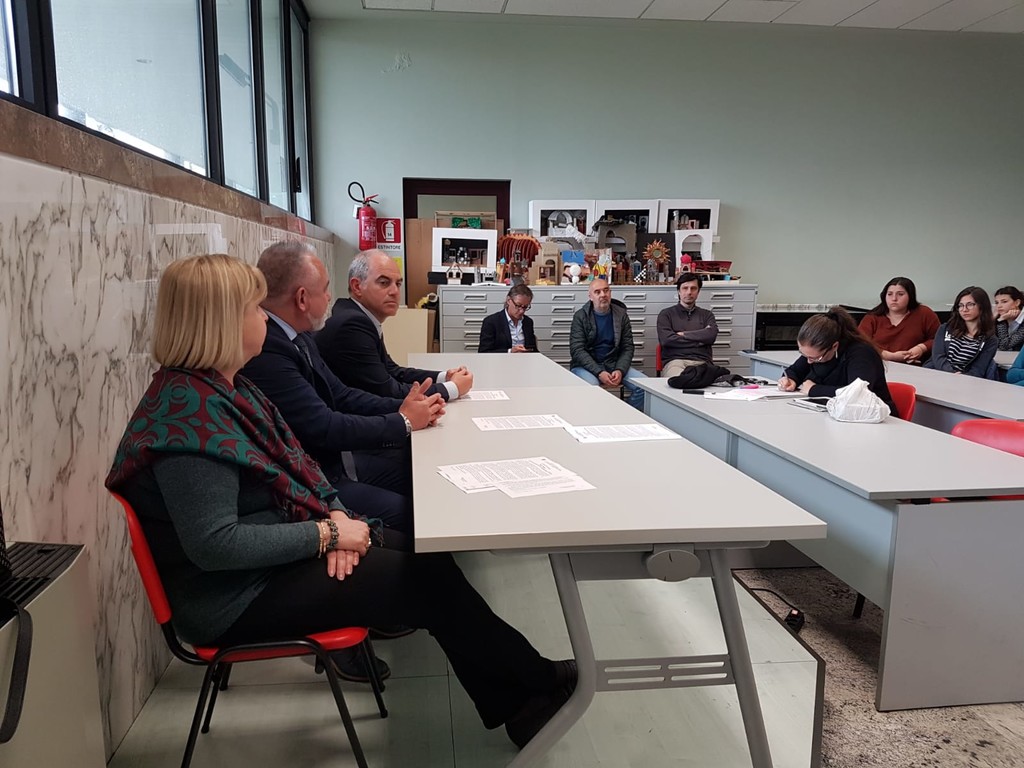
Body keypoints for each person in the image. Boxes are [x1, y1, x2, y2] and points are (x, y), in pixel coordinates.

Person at [105, 254, 577, 749]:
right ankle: (535, 684)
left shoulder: (224, 389)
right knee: (423, 579)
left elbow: (299, 464)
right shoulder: (188, 420)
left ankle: (523, 700)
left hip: (272, 556)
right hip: (232, 597)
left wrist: (334, 515)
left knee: (428, 563)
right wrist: (327, 534)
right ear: (220, 323)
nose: (264, 317)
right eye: (253, 308)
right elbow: (216, 545)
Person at [241, 241, 445, 534]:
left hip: (334, 464)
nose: (330, 298)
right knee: (420, 514)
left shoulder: (300, 336)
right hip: (313, 481)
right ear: (302, 298)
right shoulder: (269, 352)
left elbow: (340, 394)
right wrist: (404, 421)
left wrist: (406, 409)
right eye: (325, 289)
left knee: (429, 479)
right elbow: (323, 426)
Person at [317, 249, 474, 399]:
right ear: (357, 286)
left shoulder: (359, 316)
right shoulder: (352, 324)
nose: (395, 292)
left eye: (398, 284)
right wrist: (452, 388)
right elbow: (387, 390)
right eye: (384, 283)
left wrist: (444, 377)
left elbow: (391, 370)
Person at [779, 306, 896, 416]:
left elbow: (856, 394)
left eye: (815, 358)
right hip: (832, 415)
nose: (809, 361)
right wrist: (790, 380)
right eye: (804, 355)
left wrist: (814, 390)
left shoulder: (861, 354)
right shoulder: (814, 352)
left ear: (834, 346)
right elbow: (795, 371)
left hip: (872, 418)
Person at [569, 277, 646, 409]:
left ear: (610, 293)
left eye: (606, 290)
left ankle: (626, 413)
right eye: (597, 292)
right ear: (590, 296)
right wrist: (599, 372)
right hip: (586, 367)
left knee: (646, 387)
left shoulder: (621, 315)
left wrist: (620, 369)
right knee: (593, 388)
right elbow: (577, 350)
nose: (603, 295)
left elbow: (627, 347)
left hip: (614, 364)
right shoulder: (580, 316)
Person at [857, 277, 941, 364]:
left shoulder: (924, 313)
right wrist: (888, 356)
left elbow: (939, 339)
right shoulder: (872, 317)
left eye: (900, 294)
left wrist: (921, 348)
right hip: (878, 364)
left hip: (915, 366)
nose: (894, 298)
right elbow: (860, 343)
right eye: (889, 294)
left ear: (910, 296)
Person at [925, 286, 998, 379]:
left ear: (982, 306)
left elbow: (978, 370)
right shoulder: (945, 328)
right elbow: (938, 357)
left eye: (970, 304)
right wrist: (952, 374)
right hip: (937, 375)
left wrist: (961, 379)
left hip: (966, 381)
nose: (964, 309)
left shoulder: (990, 340)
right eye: (961, 305)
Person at [656, 273, 719, 378]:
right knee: (680, 382)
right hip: (675, 362)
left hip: (703, 363)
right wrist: (700, 340)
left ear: (698, 292)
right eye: (685, 288)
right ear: (679, 291)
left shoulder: (707, 315)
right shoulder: (666, 314)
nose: (689, 292)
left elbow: (711, 336)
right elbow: (666, 340)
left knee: (716, 384)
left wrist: (683, 335)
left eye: (693, 288)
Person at [478, 284, 538, 353]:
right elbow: (484, 351)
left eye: (525, 307)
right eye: (518, 305)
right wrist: (510, 351)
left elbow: (533, 349)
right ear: (509, 300)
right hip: (501, 359)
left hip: (524, 358)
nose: (521, 311)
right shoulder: (491, 322)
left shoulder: (528, 322)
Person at [993, 285, 1024, 351]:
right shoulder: (999, 317)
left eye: (1004, 302)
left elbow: (1004, 346)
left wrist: (1001, 321)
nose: (999, 306)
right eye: (996, 303)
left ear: (1017, 302)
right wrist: (992, 320)